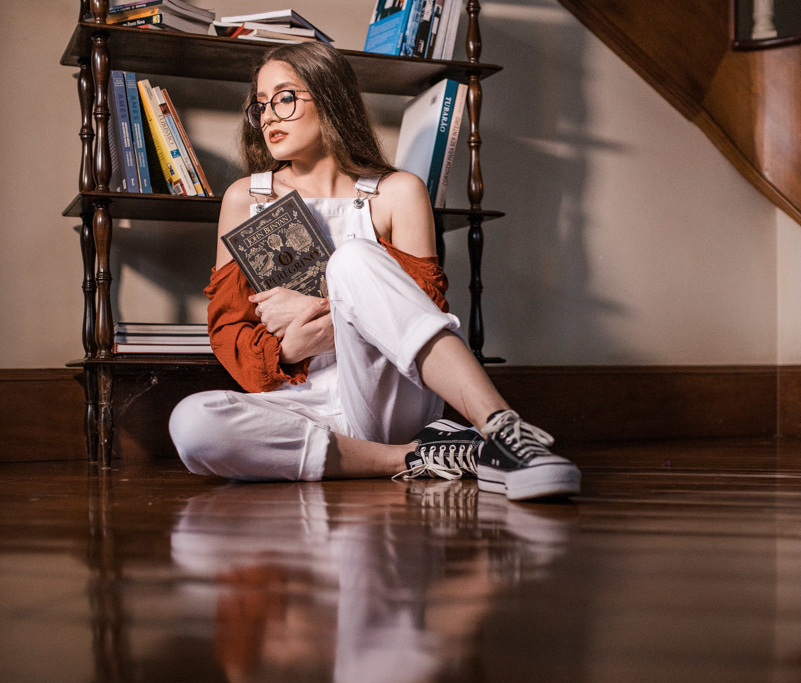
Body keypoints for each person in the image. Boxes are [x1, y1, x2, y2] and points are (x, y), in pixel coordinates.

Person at [169, 42, 580, 501]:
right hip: (308, 401)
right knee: (193, 424)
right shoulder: (245, 199)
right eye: (260, 105)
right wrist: (288, 352)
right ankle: (416, 457)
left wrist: (324, 315)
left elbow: (420, 313)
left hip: (392, 393)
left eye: (284, 98)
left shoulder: (397, 192)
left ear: (329, 98)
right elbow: (228, 332)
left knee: (355, 258)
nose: (268, 116)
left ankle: (504, 433)